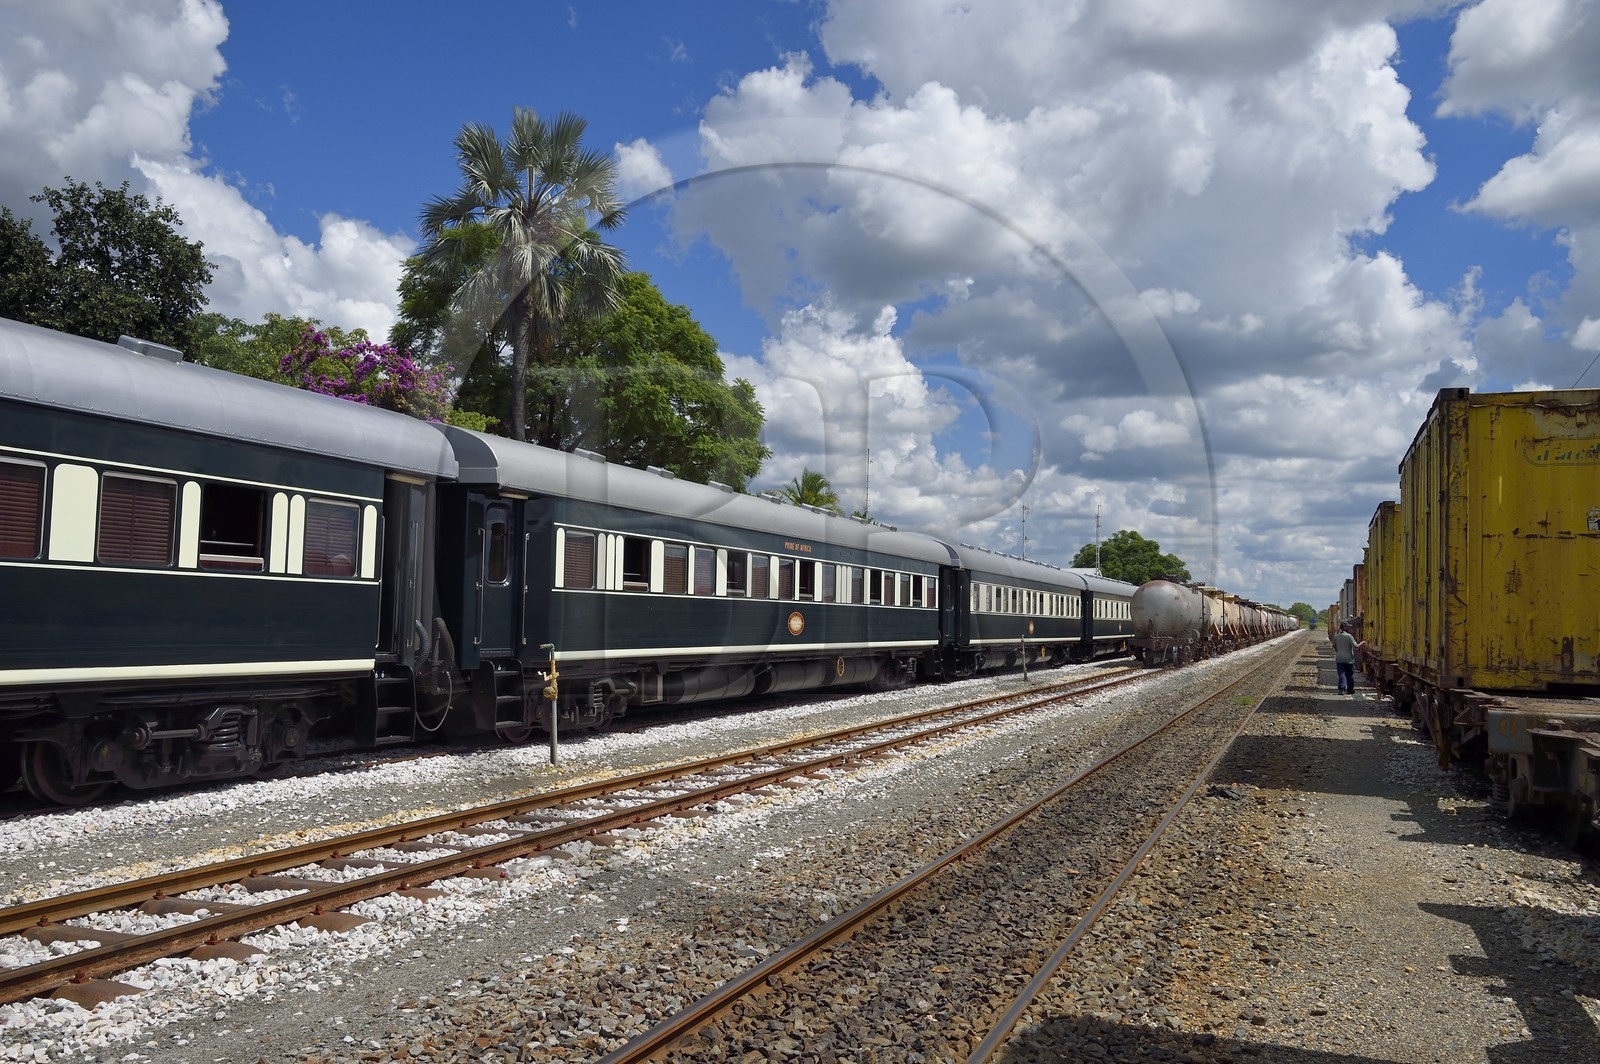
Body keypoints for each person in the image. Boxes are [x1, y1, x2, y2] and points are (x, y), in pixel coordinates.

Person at [1332, 624, 1360, 695]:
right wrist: (1362, 643)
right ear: (1345, 628)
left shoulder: (1336, 637)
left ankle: (1342, 689)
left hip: (1339, 659)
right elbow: (1356, 646)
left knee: (1342, 674)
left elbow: (1334, 647)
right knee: (1350, 675)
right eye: (1348, 627)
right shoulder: (1349, 636)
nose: (1349, 628)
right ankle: (1350, 690)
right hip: (1349, 660)